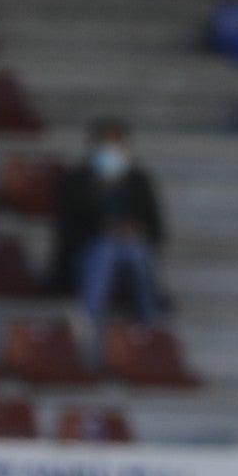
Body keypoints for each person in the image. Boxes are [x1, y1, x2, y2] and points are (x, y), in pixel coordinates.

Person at [53, 117, 169, 326]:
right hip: (87, 254)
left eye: (116, 144)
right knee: (107, 250)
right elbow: (67, 228)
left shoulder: (138, 182)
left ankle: (151, 319)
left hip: (131, 255)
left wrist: (134, 230)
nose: (111, 150)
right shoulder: (77, 181)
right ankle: (88, 319)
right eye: (105, 144)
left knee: (135, 249)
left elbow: (156, 229)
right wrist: (105, 231)